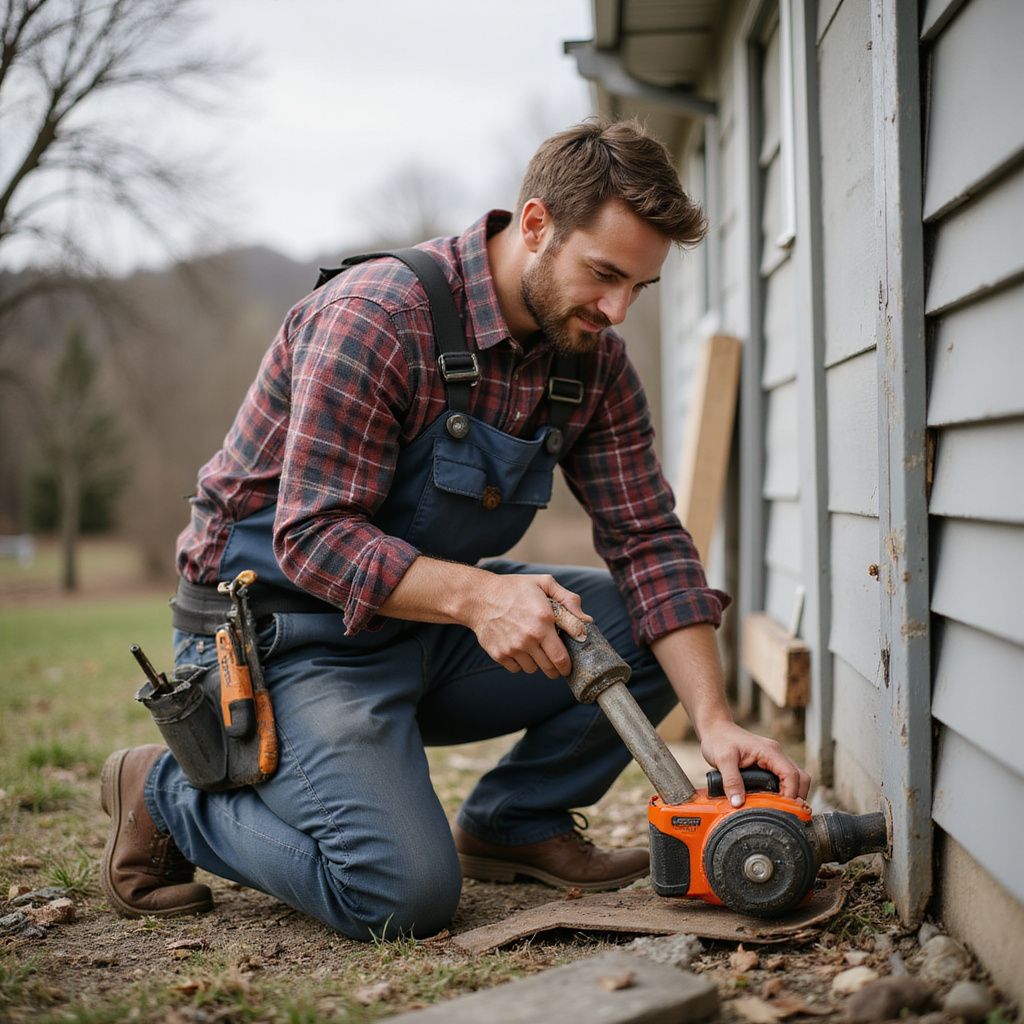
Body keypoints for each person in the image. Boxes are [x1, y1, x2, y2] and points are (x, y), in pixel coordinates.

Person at [100, 119, 811, 940]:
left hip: (421, 626)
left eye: (638, 289)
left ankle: (516, 824)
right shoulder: (378, 317)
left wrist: (715, 720)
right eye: (605, 275)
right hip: (277, 641)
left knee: (643, 626)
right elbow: (314, 535)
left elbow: (650, 541)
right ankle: (163, 792)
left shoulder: (591, 358)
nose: (617, 310)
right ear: (537, 225)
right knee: (399, 895)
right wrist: (480, 598)